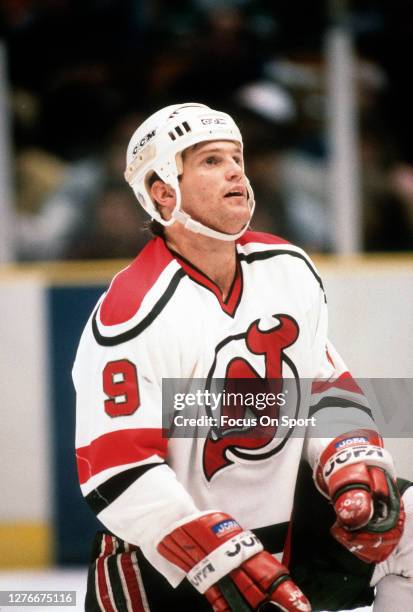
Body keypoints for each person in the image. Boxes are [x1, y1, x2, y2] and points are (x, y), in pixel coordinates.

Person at [73, 103, 412, 611]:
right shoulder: (131, 312)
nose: (236, 170)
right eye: (211, 160)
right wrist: (212, 553)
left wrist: (351, 457)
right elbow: (115, 471)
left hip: (284, 534)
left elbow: (322, 382)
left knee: (406, 516)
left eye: (237, 157)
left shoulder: (288, 269)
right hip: (168, 571)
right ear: (163, 192)